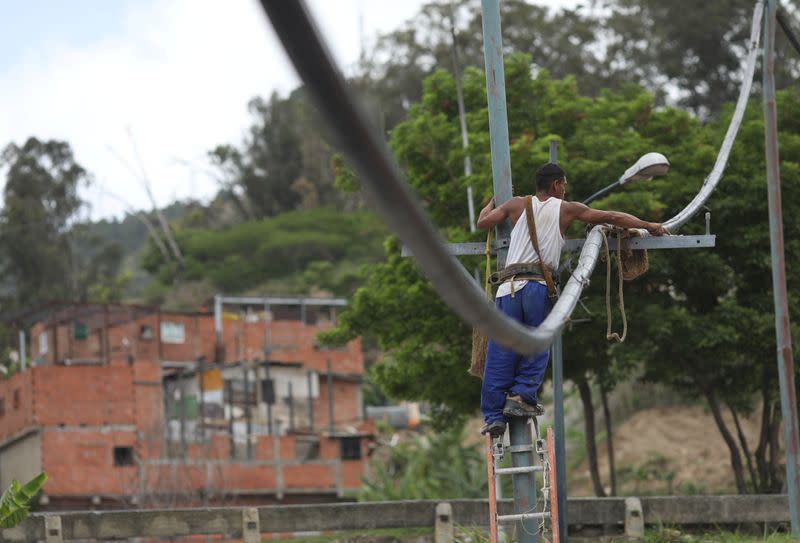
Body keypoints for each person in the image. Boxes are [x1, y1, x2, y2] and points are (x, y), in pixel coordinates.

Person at [476, 162, 669, 436]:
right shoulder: (567, 209)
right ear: (556, 185)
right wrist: (649, 225)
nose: (565, 190)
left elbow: (482, 222)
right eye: (563, 184)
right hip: (536, 287)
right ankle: (520, 397)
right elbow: (612, 216)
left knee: (500, 352)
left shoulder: (515, 204)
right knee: (539, 342)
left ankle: (494, 416)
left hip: (506, 290)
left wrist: (494, 201)